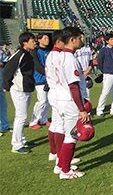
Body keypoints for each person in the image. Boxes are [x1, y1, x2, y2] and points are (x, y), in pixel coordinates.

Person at [51, 27, 89, 179]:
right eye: (79, 38)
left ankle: (61, 165)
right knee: (72, 136)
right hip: (69, 101)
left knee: (68, 134)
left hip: (61, 98)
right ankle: (65, 171)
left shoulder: (60, 56)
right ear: (72, 40)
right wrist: (82, 109)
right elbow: (73, 86)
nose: (81, 40)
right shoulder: (70, 59)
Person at [46, 30, 80, 172]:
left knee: (56, 125)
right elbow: (71, 84)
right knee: (66, 131)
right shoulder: (60, 56)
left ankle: (56, 156)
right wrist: (82, 107)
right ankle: (61, 162)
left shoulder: (52, 55)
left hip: (55, 92)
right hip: (62, 93)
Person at [3, 32, 36, 154]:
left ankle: (22, 140)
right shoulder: (19, 55)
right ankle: (16, 145)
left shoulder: (28, 54)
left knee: (22, 116)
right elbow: (7, 71)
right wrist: (7, 85)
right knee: (21, 116)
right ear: (25, 43)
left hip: (26, 88)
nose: (34, 42)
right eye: (32, 40)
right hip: (18, 89)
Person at [96, 34, 113, 117]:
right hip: (108, 74)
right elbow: (100, 62)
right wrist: (104, 71)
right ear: (107, 41)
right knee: (105, 92)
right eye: (111, 39)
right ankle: (100, 110)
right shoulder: (103, 50)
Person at [29, 33, 51, 130]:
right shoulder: (35, 51)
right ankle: (33, 121)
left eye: (48, 38)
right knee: (42, 100)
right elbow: (37, 66)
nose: (47, 40)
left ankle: (44, 119)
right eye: (45, 38)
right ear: (39, 39)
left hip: (49, 79)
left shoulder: (49, 51)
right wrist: (48, 74)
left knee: (48, 101)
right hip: (40, 79)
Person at [74, 33, 93, 98]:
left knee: (87, 94)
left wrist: (87, 71)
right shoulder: (74, 49)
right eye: (80, 37)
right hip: (78, 73)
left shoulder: (88, 49)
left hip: (87, 73)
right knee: (77, 93)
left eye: (83, 37)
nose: (82, 39)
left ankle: (87, 107)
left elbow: (91, 61)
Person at [0, 44, 10, 135]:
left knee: (3, 104)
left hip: (1, 80)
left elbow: (6, 61)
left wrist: (3, 64)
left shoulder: (1, 51)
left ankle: (4, 125)